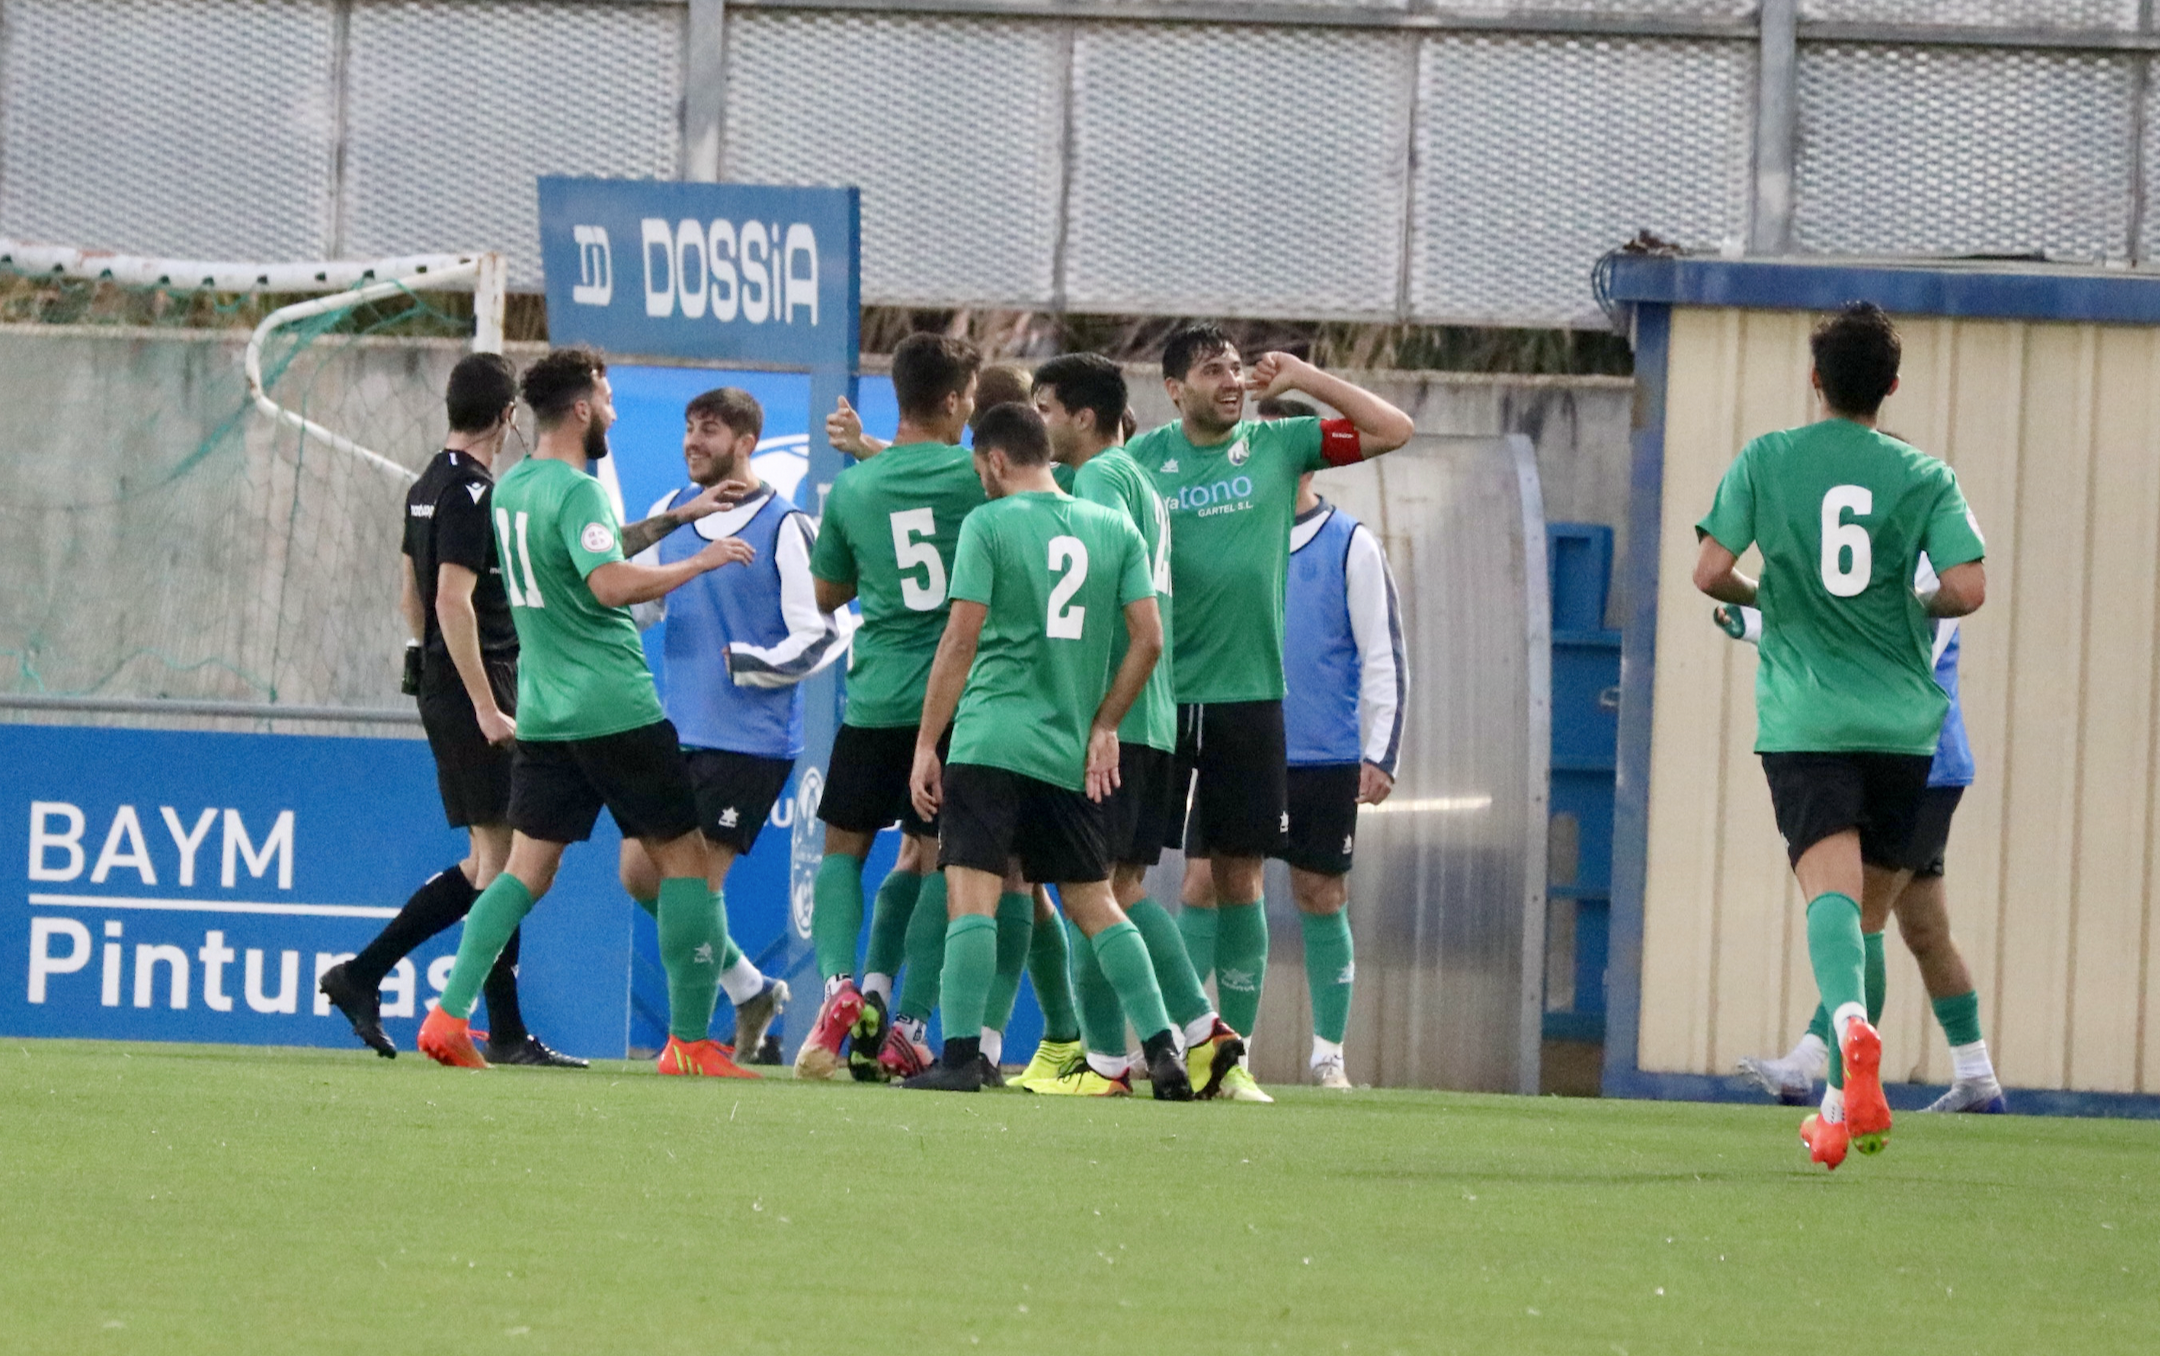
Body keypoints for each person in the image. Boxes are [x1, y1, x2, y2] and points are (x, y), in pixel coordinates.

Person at [1692, 302, 1987, 1170]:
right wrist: (1912, 605)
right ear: (1890, 387)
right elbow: (1967, 589)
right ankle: (1835, 1106)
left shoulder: (1769, 458)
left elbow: (1710, 571)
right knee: (1869, 917)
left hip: (1807, 717)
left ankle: (1850, 1034)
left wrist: (1767, 600)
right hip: (1903, 727)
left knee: (1829, 896)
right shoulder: (1926, 475)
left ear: (1814, 380)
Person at [414, 347, 762, 1077]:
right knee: (687, 868)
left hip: (546, 713)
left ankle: (448, 1017)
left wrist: (679, 519)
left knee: (521, 874)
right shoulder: (577, 491)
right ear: (580, 409)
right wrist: (699, 559)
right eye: (606, 399)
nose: (612, 412)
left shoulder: (514, 489)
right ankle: (691, 1044)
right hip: (615, 708)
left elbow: (585, 555)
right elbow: (605, 583)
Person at [1126, 324, 1414, 1102]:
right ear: (1174, 388)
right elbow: (1044, 488)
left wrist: (1306, 378)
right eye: (1210, 369)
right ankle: (1164, 1039)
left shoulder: (1278, 446)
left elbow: (1395, 429)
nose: (1229, 379)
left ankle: (1233, 1058)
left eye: (1234, 368)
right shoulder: (1141, 461)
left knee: (1241, 875)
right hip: (1158, 699)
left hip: (1250, 701)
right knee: (1137, 880)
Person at [899, 402, 1190, 1099]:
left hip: (992, 740)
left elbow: (960, 641)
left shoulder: (989, 524)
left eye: (981, 469)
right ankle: (1163, 1046)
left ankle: (963, 1056)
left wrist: (925, 744)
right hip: (1066, 748)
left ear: (996, 460)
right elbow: (1149, 639)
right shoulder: (1113, 527)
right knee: (1096, 903)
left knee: (971, 895)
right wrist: (1105, 723)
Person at [319, 353, 581, 1068]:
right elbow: (450, 598)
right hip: (477, 685)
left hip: (447, 679)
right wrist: (486, 704)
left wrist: (425, 655)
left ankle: (371, 978)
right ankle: (493, 1027)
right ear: (507, 417)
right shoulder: (472, 494)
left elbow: (411, 590)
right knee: (503, 863)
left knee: (490, 863)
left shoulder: (424, 486)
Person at [1017, 353, 1247, 1098]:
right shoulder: (1140, 480)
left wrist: (1094, 714)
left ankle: (1144, 1047)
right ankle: (1174, 1040)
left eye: (1045, 407)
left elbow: (1110, 590)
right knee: (1117, 887)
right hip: (1151, 711)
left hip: (1117, 714)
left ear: (1084, 417)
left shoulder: (1101, 480)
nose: (1037, 421)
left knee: (1091, 886)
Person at [620, 387, 857, 1059]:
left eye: (710, 430)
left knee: (694, 885)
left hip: (748, 743)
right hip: (675, 731)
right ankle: (751, 989)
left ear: (746, 443)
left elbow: (822, 636)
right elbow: (638, 604)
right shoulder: (670, 511)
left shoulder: (784, 525)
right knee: (640, 875)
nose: (694, 440)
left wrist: (748, 661)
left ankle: (690, 1046)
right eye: (689, 428)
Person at [1726, 557, 2005, 1115]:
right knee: (1926, 930)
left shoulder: (1929, 574)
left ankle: (1817, 1064)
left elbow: (1891, 657)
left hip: (1923, 767)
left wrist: (1760, 625)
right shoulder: (1908, 566)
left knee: (1859, 919)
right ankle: (1976, 1077)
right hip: (1930, 766)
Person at [798, 334, 987, 1080]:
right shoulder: (979, 478)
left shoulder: (853, 489)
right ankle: (909, 1021)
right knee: (942, 861)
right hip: (953, 706)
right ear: (949, 402)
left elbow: (824, 595)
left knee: (844, 848)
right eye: (969, 396)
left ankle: (842, 986)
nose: (974, 409)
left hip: (873, 696)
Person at [1275, 466, 1406, 1089]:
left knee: (1319, 893)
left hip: (1323, 753)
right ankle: (1215, 1043)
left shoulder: (1350, 541)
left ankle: (1328, 1053)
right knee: (1204, 885)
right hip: (1243, 744)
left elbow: (1382, 652)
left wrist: (1381, 754)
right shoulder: (1235, 530)